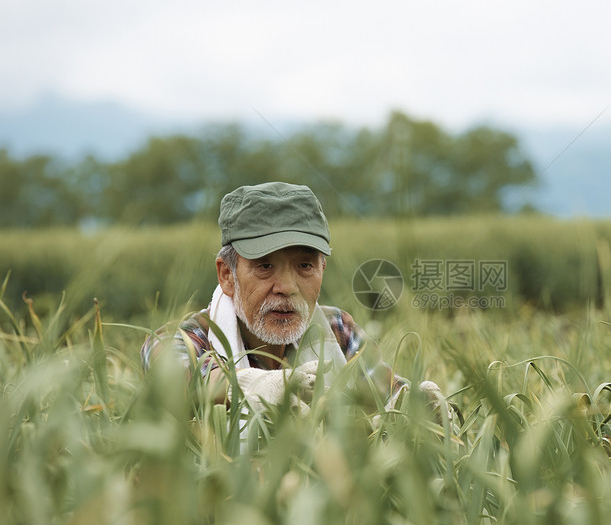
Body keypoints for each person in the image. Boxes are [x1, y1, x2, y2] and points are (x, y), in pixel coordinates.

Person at [141, 181, 450, 423]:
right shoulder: (194, 337)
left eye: (304, 266)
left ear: (322, 270)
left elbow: (384, 391)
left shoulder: (337, 330)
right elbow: (170, 372)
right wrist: (254, 387)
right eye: (264, 266)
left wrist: (415, 409)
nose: (287, 287)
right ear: (227, 275)